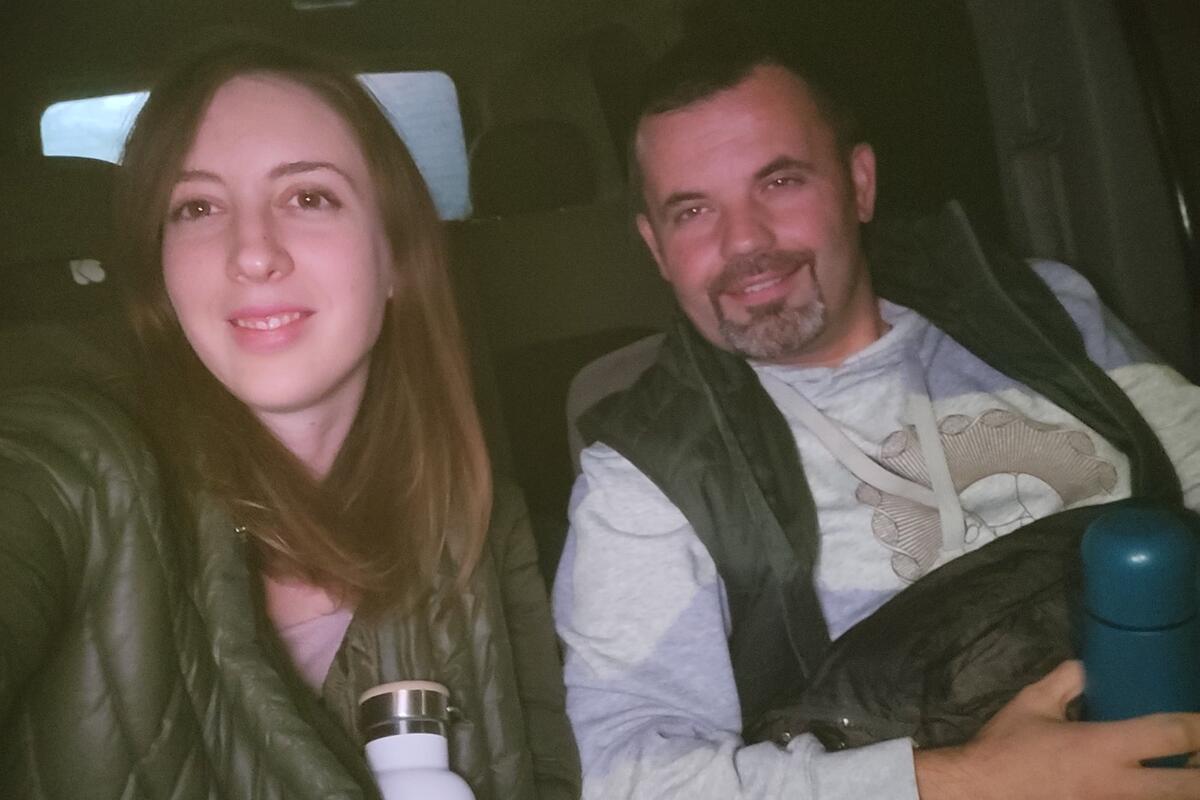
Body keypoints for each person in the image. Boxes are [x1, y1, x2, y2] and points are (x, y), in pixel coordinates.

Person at [553, 37, 1200, 800]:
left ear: (858, 185)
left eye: (780, 182)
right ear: (656, 248)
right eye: (693, 211)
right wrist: (966, 781)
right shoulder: (647, 479)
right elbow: (633, 779)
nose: (745, 241)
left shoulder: (1048, 312)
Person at [0, 37, 579, 800]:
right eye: (197, 207)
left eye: (309, 197)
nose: (252, 253)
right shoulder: (76, 475)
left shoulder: (480, 520)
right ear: (160, 270)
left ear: (396, 256)